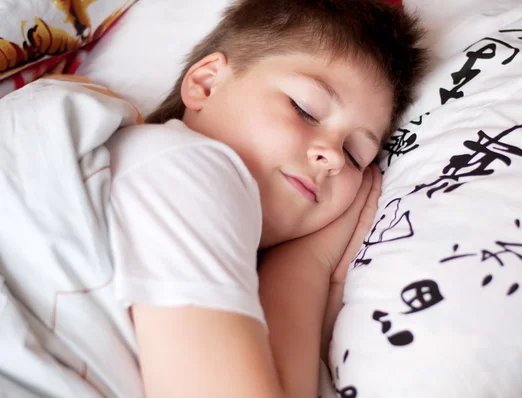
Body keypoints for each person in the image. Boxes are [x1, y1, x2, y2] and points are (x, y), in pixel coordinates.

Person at [106, 0, 426, 396]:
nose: (331, 157)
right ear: (206, 83)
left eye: (356, 156)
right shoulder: (184, 167)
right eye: (305, 110)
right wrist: (305, 264)